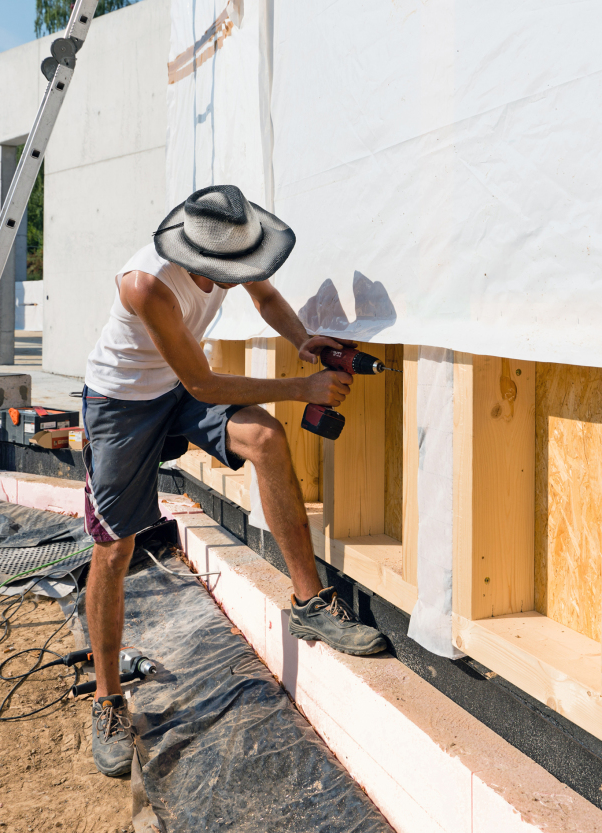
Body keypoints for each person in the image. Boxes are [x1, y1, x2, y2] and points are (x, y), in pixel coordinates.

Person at [80, 184, 389, 777]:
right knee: (114, 546)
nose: (241, 276)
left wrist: (303, 341)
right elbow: (204, 384)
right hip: (121, 402)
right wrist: (302, 389)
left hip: (175, 387)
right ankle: (108, 699)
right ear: (195, 255)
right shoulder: (145, 285)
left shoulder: (232, 250)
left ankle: (309, 602)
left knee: (266, 438)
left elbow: (268, 296)